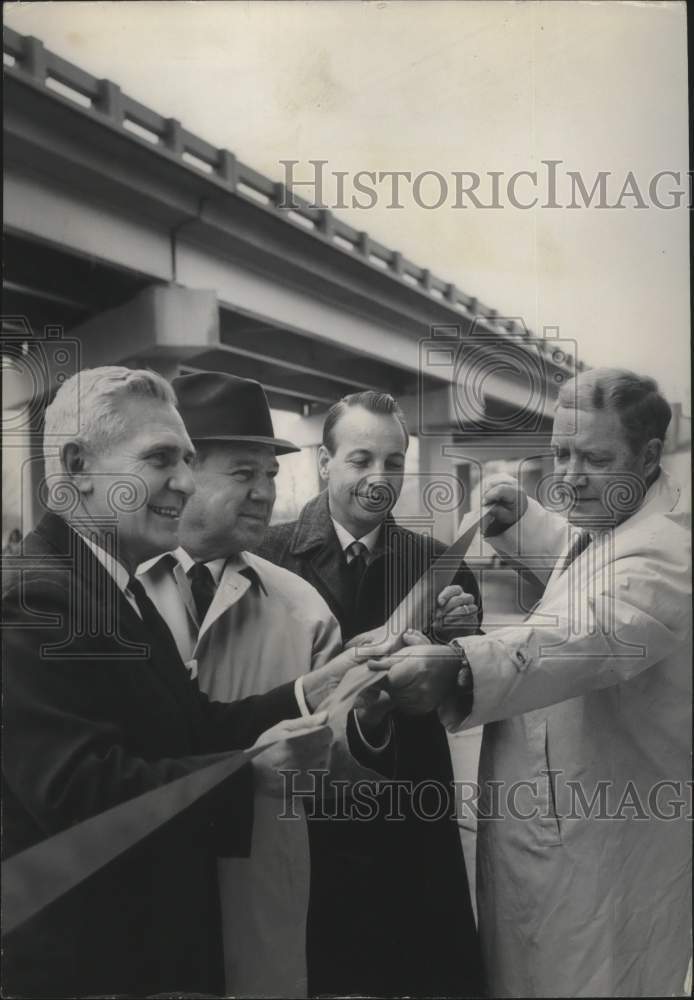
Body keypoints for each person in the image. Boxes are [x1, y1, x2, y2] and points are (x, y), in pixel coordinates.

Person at [1, 367, 352, 998]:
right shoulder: (37, 599)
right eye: (161, 458)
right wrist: (251, 771)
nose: (185, 484)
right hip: (82, 965)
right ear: (78, 465)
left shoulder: (111, 585)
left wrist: (311, 691)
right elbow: (83, 792)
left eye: (190, 460)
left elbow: (191, 723)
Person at [371, 368, 691, 997]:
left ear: (649, 456)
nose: (570, 476)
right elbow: (580, 558)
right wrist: (522, 517)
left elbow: (583, 634)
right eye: (561, 454)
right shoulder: (610, 525)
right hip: (551, 831)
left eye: (594, 458)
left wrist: (459, 664)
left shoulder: (668, 557)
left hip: (606, 858)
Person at [138, 371, 395, 997]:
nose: (264, 494)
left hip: (259, 904)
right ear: (184, 471)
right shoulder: (113, 594)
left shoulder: (303, 608)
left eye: (271, 475)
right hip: (141, 905)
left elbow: (331, 787)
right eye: (243, 473)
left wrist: (367, 724)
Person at [258, 390, 485, 997]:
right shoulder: (264, 559)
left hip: (408, 818)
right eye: (361, 460)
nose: (380, 479)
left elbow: (465, 698)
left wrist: (465, 645)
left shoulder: (441, 566)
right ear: (324, 462)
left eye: (395, 462)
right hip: (306, 814)